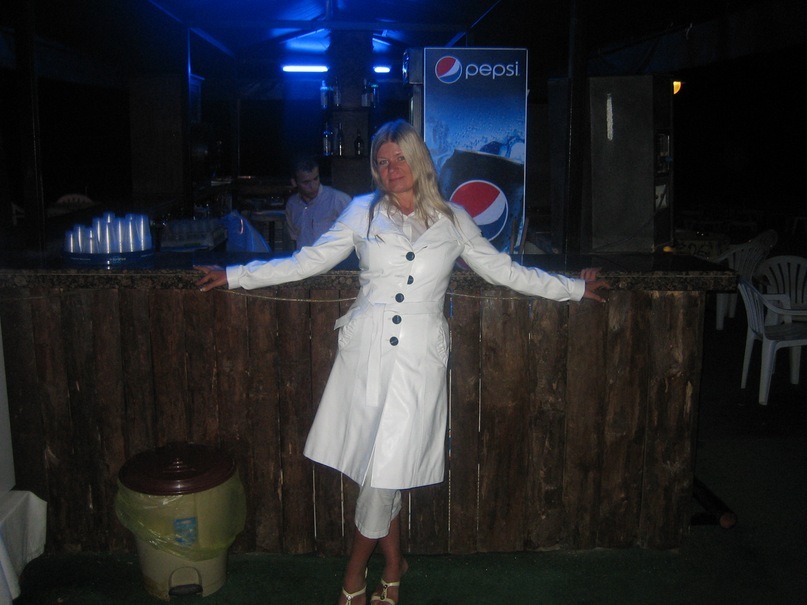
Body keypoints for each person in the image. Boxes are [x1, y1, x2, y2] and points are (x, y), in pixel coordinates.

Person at [196, 119, 609, 605]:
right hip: (365, 354)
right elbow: (306, 261)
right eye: (381, 162)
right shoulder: (362, 212)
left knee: (383, 470)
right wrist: (235, 274)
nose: (390, 169)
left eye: (398, 158)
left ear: (420, 159)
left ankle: (354, 575)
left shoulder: (454, 220)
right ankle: (393, 566)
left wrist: (574, 288)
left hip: (419, 358)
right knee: (380, 467)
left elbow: (505, 271)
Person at [285, 156, 352, 249]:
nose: (313, 186)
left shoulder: (338, 199)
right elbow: (294, 238)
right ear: (294, 182)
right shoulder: (292, 204)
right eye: (306, 182)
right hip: (304, 256)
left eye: (315, 179)